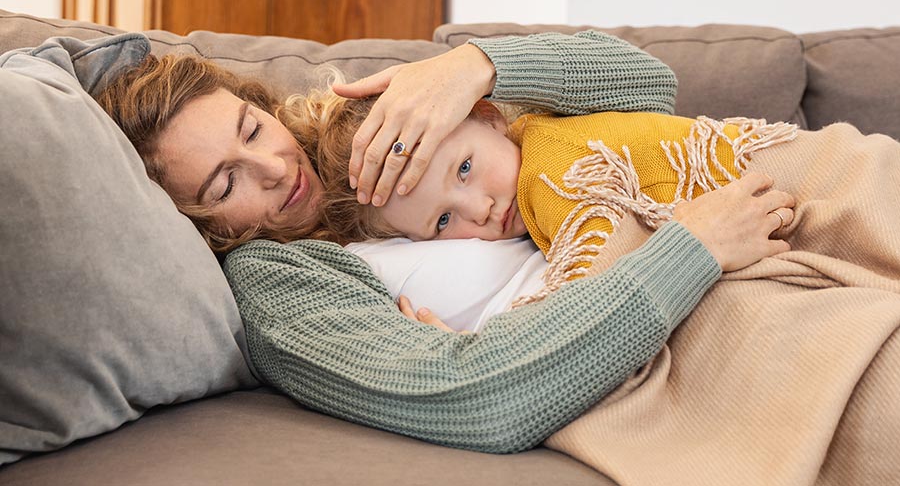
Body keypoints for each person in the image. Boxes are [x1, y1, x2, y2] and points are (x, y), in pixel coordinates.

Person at [98, 30, 793, 452]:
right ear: (199, 226)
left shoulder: (371, 126)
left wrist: (475, 67)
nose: (277, 168)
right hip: (699, 287)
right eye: (226, 185)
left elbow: (652, 88)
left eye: (252, 129)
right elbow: (476, 396)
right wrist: (691, 249)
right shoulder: (275, 281)